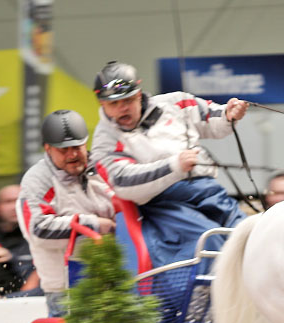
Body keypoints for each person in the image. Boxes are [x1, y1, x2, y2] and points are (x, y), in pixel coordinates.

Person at [91, 60, 248, 267]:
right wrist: (174, 166)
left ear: (138, 94)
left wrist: (228, 115)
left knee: (246, 234)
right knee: (210, 242)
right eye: (114, 104)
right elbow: (123, 183)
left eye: (127, 100)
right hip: (163, 204)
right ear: (102, 104)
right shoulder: (104, 141)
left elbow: (211, 115)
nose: (122, 109)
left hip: (208, 190)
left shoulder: (176, 102)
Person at [18, 109, 117, 317]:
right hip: (67, 288)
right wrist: (94, 224)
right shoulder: (37, 181)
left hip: (114, 277)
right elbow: (39, 230)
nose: (72, 155)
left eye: (77, 147)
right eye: (63, 150)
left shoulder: (103, 167)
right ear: (48, 149)